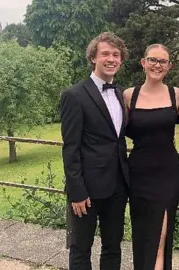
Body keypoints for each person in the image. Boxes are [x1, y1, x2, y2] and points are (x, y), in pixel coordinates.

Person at [60, 32, 129, 270]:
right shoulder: (74, 95)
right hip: (86, 191)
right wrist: (77, 192)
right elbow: (71, 148)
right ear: (93, 58)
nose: (111, 59)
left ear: (121, 60)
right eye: (105, 54)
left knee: (113, 247)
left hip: (118, 187)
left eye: (116, 55)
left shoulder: (121, 94)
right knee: (81, 249)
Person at [123, 44, 179, 270]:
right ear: (143, 63)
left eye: (162, 61)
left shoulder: (176, 94)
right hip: (139, 174)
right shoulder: (130, 95)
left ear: (169, 66)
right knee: (142, 234)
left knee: (161, 235)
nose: (157, 65)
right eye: (152, 60)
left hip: (168, 173)